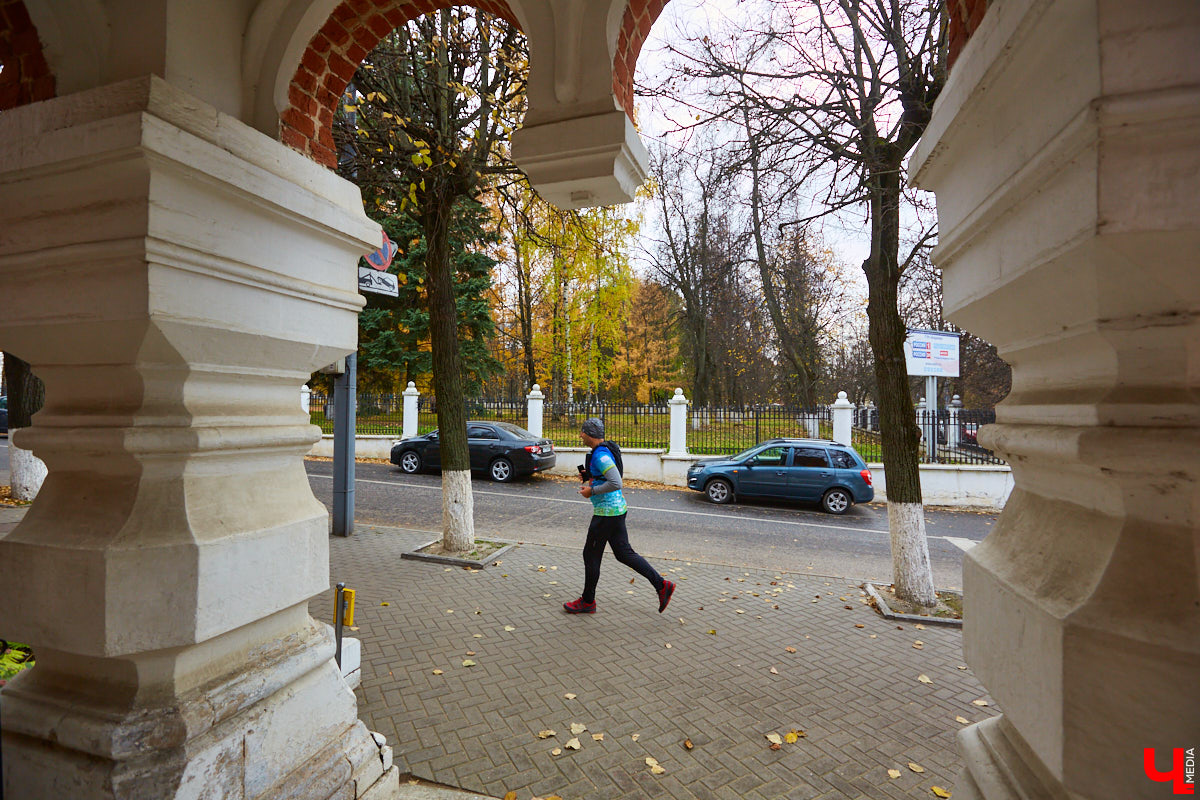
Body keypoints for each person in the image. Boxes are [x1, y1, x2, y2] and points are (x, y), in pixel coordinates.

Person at [563, 418, 675, 614]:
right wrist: (590, 478)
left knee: (590, 555)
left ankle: (588, 602)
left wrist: (592, 491)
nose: (580, 435)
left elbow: (616, 482)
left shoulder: (601, 456)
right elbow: (606, 477)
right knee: (624, 554)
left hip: (606, 513)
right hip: (616, 510)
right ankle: (661, 585)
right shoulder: (601, 452)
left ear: (589, 434)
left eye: (582, 432)